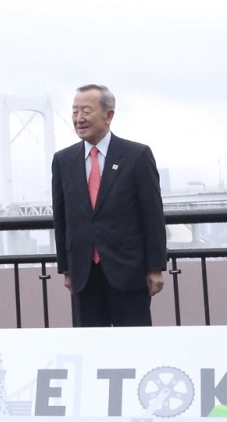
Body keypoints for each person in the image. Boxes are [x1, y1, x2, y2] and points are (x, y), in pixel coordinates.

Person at [51, 84, 167, 327]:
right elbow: (61, 218)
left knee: (133, 346)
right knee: (90, 348)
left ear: (109, 115)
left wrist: (155, 267)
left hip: (129, 272)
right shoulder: (63, 160)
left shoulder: (136, 155)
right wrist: (66, 268)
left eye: (86, 111)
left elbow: (153, 216)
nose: (79, 119)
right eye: (74, 112)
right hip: (83, 273)